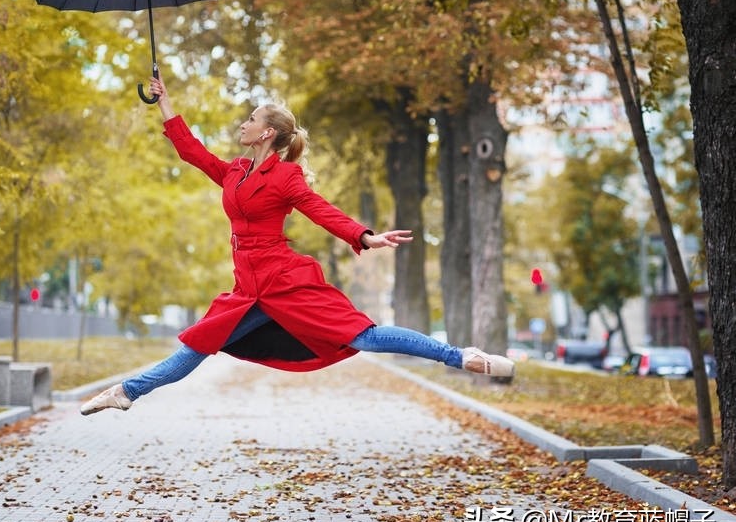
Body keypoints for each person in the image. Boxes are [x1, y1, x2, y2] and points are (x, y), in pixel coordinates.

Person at [81, 76, 513, 415]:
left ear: (267, 133)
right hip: (246, 288)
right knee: (197, 346)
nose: (243, 124)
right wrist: (165, 102)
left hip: (284, 281)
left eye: (250, 119)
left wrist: (364, 235)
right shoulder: (234, 172)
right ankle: (126, 393)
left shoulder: (286, 177)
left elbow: (319, 208)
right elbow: (192, 151)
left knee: (365, 337)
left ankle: (460, 356)